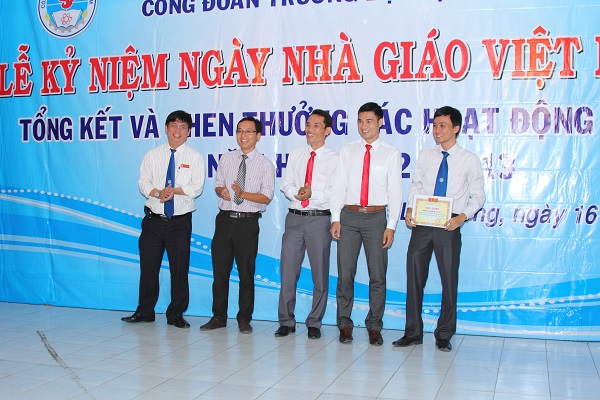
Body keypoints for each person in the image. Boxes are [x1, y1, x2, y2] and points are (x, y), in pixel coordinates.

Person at [392, 106, 485, 352]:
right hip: (422, 223)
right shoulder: (425, 155)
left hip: (449, 225)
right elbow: (416, 185)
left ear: (456, 128)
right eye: (434, 125)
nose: (437, 130)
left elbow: (478, 196)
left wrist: (462, 217)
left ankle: (444, 334)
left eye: (443, 125)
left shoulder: (469, 160)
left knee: (449, 280)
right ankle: (413, 332)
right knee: (414, 278)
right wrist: (410, 209)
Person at [122, 110, 205, 329]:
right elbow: (143, 183)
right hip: (153, 221)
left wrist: (174, 191)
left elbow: (197, 187)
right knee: (148, 269)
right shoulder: (152, 155)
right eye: (174, 126)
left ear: (189, 131)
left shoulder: (195, 157)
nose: (178, 131)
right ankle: (145, 311)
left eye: (183, 127)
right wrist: (159, 192)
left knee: (179, 270)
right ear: (166, 129)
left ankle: (176, 314)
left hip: (179, 222)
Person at [330, 102, 403, 346]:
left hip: (376, 218)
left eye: (369, 121)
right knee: (345, 275)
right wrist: (336, 218)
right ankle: (344, 324)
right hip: (348, 217)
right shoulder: (348, 150)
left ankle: (374, 326)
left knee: (377, 276)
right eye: (360, 121)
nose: (364, 126)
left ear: (380, 122)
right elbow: (339, 185)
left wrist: (391, 225)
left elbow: (395, 191)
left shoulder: (390, 153)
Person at [200, 117, 276, 334]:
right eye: (240, 131)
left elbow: (266, 196)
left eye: (249, 131)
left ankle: (244, 318)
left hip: (247, 223)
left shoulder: (265, 164)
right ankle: (218, 316)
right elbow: (218, 184)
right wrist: (222, 191)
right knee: (220, 272)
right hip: (224, 220)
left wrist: (243, 194)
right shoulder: (227, 159)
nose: (243, 135)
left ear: (258, 136)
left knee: (246, 273)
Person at [275, 109, 339, 340]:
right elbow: (286, 185)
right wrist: (297, 192)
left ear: (327, 130)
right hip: (294, 218)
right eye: (308, 124)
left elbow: (336, 192)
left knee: (320, 274)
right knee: (288, 272)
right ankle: (286, 321)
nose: (310, 129)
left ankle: (314, 322)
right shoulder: (296, 155)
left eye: (316, 125)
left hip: (319, 219)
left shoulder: (335, 159)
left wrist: (313, 194)